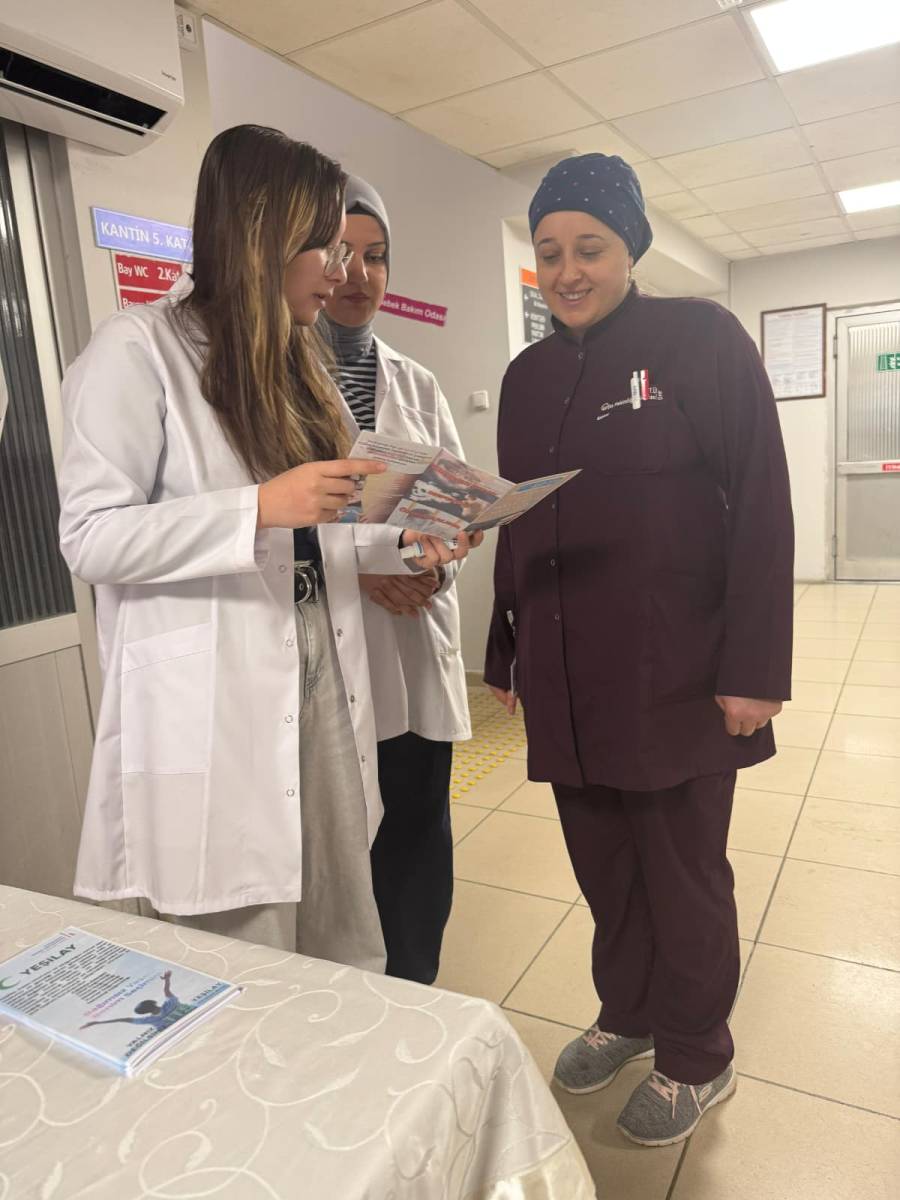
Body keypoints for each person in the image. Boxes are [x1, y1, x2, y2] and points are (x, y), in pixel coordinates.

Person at [58, 125, 471, 972]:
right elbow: (90, 536)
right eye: (326, 245)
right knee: (241, 959)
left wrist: (402, 547)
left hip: (324, 674)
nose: (341, 269)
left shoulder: (298, 368)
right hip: (218, 697)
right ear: (262, 235)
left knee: (343, 929)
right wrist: (255, 509)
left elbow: (317, 541)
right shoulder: (136, 350)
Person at [484, 153, 794, 1147]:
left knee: (681, 869)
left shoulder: (700, 339)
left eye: (590, 247)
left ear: (631, 249)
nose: (567, 271)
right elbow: (518, 517)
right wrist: (506, 647)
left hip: (678, 670)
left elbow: (762, 504)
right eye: (548, 252)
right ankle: (629, 1013)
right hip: (568, 671)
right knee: (605, 864)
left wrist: (755, 669)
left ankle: (697, 1052)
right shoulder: (526, 378)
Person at [321, 177, 470, 984]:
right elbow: (272, 517)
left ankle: (417, 987)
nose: (360, 275)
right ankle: (357, 999)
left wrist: (434, 567)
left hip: (414, 632)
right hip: (332, 645)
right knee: (346, 844)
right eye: (340, 253)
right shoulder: (272, 376)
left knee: (418, 830)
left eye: (376, 256)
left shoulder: (417, 381)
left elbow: (453, 502)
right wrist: (368, 562)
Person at [80, 971, 189, 1033]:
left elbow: (123, 1019)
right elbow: (166, 990)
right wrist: (167, 979)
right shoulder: (169, 1004)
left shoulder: (152, 1018)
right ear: (153, 1003)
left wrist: (98, 1023)